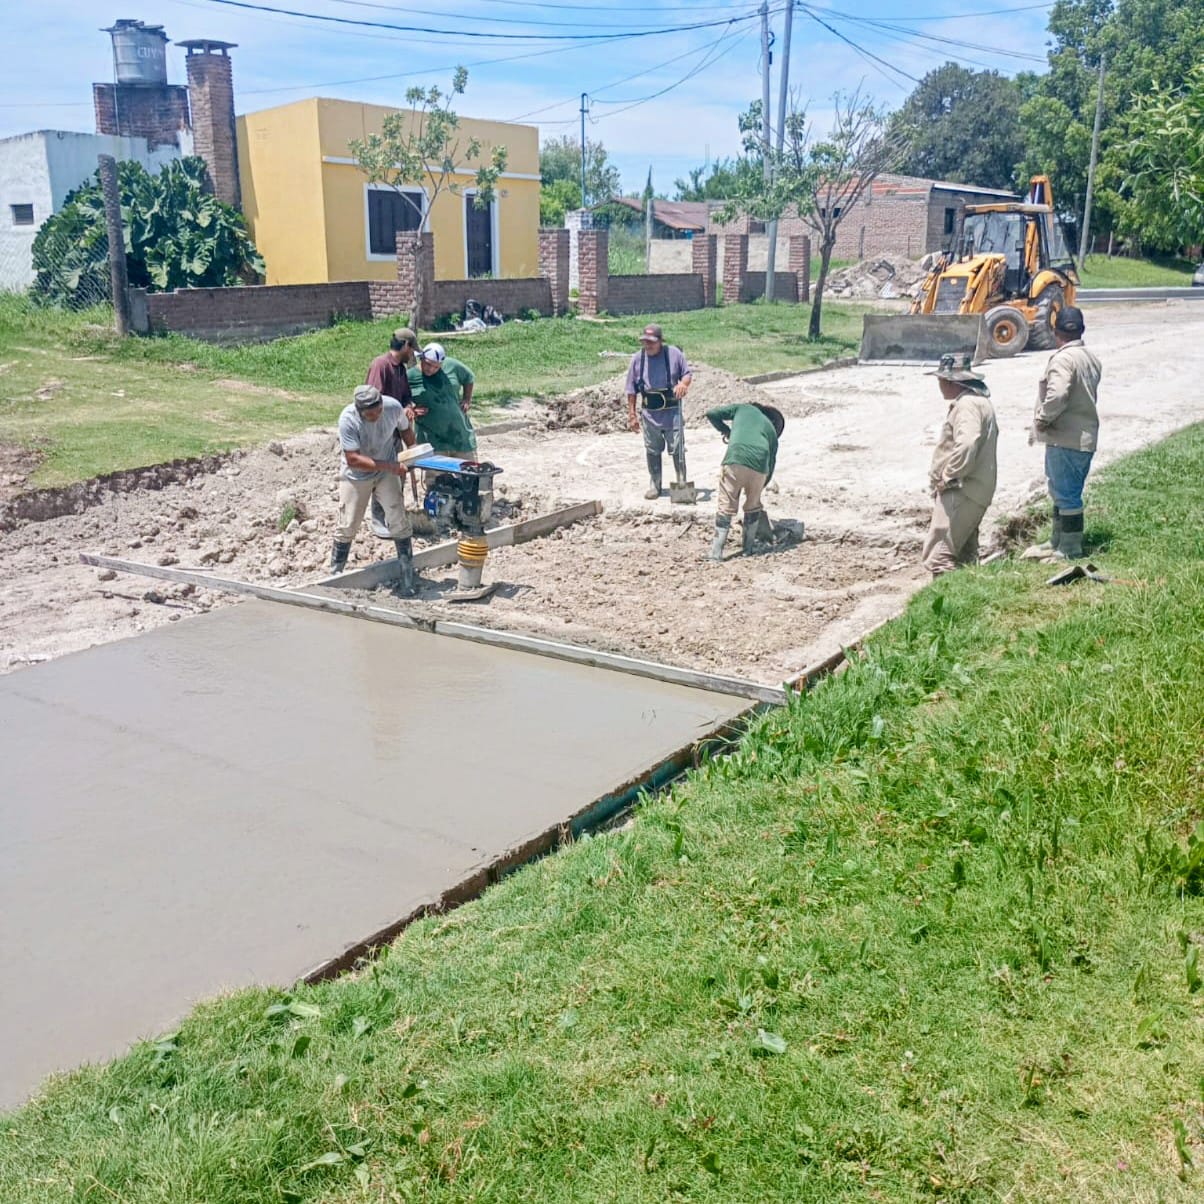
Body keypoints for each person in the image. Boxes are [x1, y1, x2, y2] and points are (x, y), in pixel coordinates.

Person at [1026, 305, 1101, 561]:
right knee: (1062, 491)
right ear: (1082, 330)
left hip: (1065, 438)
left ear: (1055, 332)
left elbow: (1057, 394)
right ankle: (1056, 541)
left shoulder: (1063, 359)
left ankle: (1069, 548)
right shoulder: (1090, 358)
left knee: (1067, 495)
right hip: (1083, 436)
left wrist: (1043, 418)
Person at [330, 384, 418, 596]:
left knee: (398, 518)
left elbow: (405, 429)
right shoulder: (348, 419)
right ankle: (335, 573)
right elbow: (353, 459)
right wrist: (390, 466)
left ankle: (408, 574)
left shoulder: (393, 407)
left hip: (386, 469)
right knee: (348, 524)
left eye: (378, 411)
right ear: (360, 411)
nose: (376, 416)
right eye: (370, 415)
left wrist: (413, 453)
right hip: (357, 475)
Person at [921, 353, 998, 577]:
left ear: (950, 381)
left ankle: (943, 608)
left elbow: (966, 444)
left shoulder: (967, 406)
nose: (939, 386)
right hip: (973, 489)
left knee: (939, 557)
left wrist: (949, 476)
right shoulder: (978, 402)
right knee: (965, 555)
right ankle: (967, 605)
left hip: (962, 490)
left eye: (940, 381)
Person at [705, 403, 785, 559]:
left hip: (735, 458)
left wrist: (727, 431)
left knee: (726, 505)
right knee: (752, 506)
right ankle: (748, 549)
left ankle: (715, 554)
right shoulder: (771, 431)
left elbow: (711, 413)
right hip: (760, 466)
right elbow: (771, 464)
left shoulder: (742, 408)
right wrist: (760, 487)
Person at [626, 324, 693, 500]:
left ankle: (681, 486)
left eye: (651, 342)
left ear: (660, 342)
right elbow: (631, 390)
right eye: (645, 342)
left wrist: (683, 384)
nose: (648, 346)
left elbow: (687, 373)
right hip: (650, 415)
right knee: (652, 450)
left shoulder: (674, 354)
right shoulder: (637, 359)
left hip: (672, 414)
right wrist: (632, 415)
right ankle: (655, 485)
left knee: (677, 450)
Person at [407, 344, 479, 488]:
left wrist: (467, 399)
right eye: (428, 365)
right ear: (422, 359)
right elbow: (401, 398)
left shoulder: (452, 366)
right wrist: (411, 409)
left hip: (459, 432)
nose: (431, 369)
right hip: (432, 436)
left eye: (436, 366)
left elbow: (469, 377)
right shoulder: (411, 376)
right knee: (436, 479)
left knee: (470, 474)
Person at [365, 326, 418, 405]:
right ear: (406, 346)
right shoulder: (380, 364)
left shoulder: (401, 368)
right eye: (412, 350)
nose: (412, 354)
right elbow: (372, 400)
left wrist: (408, 408)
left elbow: (405, 397)